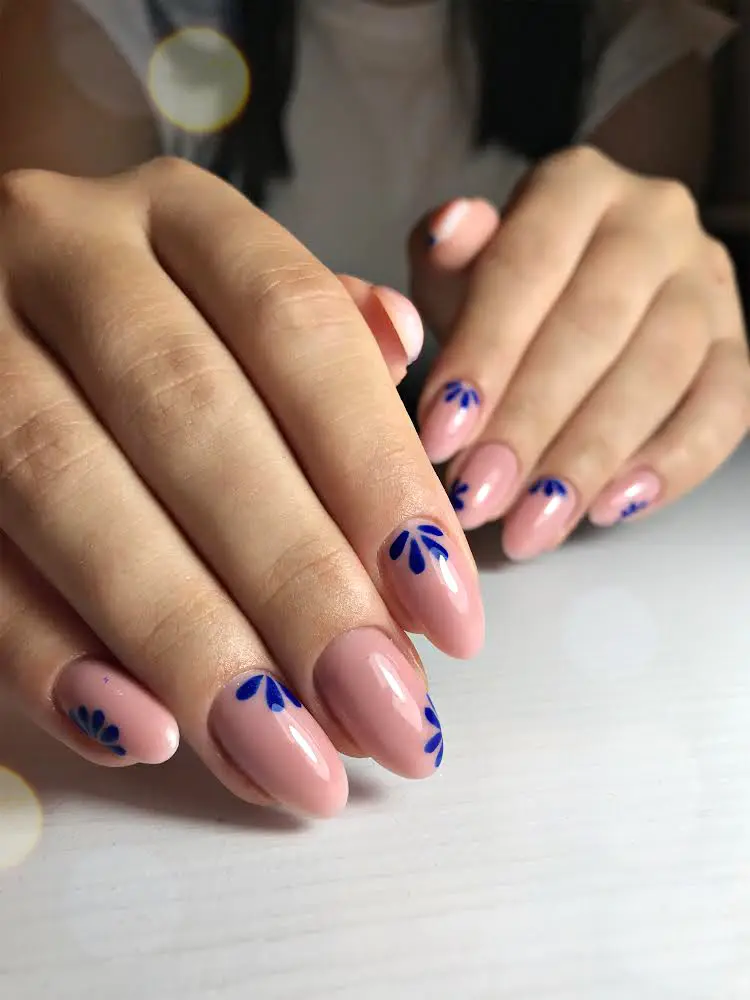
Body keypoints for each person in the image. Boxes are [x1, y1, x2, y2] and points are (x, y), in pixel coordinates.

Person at [0, 0, 747, 818]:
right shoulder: (109, 22)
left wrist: (634, 310)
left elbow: (619, 284)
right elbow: (61, 277)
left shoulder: (635, 44)